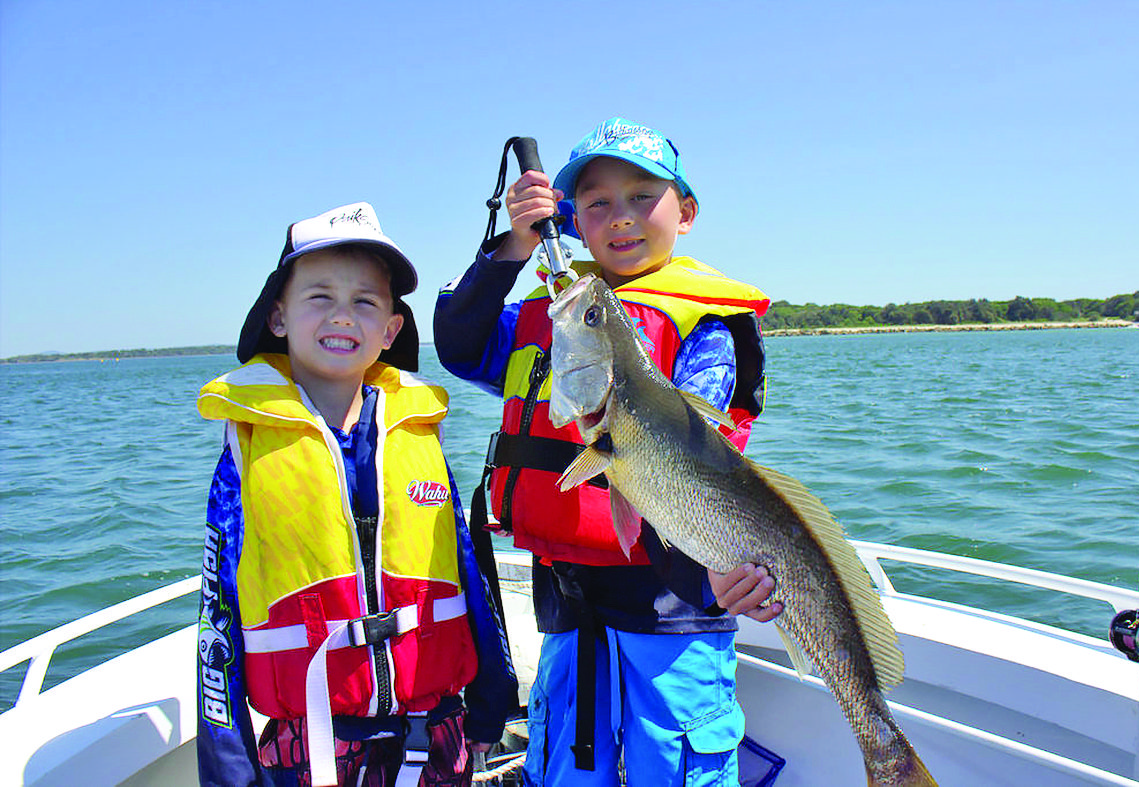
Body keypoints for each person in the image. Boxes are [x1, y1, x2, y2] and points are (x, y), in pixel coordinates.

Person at [434, 118, 780, 787]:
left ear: (685, 213)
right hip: (566, 597)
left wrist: (744, 566)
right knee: (563, 767)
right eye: (596, 203)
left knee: (675, 765)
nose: (619, 218)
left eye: (640, 197)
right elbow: (460, 343)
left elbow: (695, 437)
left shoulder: (706, 322)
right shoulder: (560, 312)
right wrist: (511, 245)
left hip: (674, 596)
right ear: (571, 218)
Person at [196, 202, 517, 787]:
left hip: (435, 730)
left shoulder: (416, 428)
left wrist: (494, 692)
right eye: (320, 296)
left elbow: (467, 564)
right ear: (278, 317)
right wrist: (228, 766)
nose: (343, 317)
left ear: (392, 329)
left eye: (365, 302)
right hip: (311, 745)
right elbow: (218, 606)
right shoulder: (247, 447)